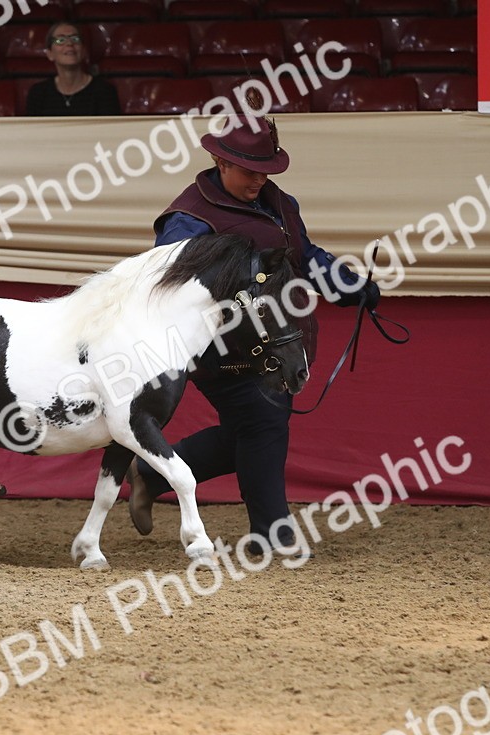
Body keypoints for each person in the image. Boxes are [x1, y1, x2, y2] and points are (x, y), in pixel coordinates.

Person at [126, 114, 380, 555]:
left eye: (266, 169)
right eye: (250, 170)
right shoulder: (189, 219)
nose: (259, 179)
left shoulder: (278, 202)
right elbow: (165, 282)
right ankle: (272, 532)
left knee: (249, 431)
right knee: (263, 423)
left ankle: (151, 473)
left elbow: (302, 256)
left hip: (282, 339)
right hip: (224, 349)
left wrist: (348, 285)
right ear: (220, 162)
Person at [25, 21, 121, 116]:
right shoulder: (38, 93)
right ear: (50, 54)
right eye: (61, 40)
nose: (69, 44)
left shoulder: (105, 91)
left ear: (83, 51)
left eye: (75, 39)